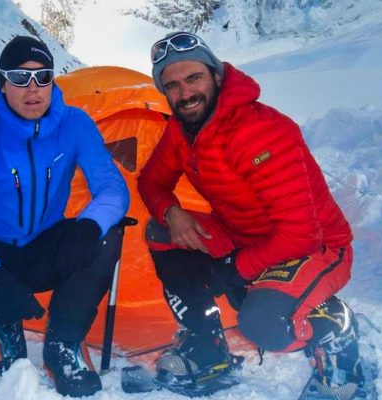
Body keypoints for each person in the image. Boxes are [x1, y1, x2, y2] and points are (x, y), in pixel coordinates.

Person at [137, 32, 363, 397]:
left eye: (193, 78)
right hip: (243, 236)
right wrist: (172, 213)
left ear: (217, 75)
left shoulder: (259, 132)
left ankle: (338, 333)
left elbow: (301, 234)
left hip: (318, 248)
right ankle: (207, 349)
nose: (184, 93)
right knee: (161, 232)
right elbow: (151, 182)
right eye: (172, 85)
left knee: (263, 323)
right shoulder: (182, 131)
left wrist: (232, 270)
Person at [0, 35, 129, 398]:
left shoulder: (75, 125)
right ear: (2, 84)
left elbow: (112, 188)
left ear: (52, 81)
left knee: (107, 236)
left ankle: (63, 344)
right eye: (19, 77)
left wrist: (89, 224)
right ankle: (3, 322)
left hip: (44, 245)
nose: (32, 89)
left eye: (42, 76)